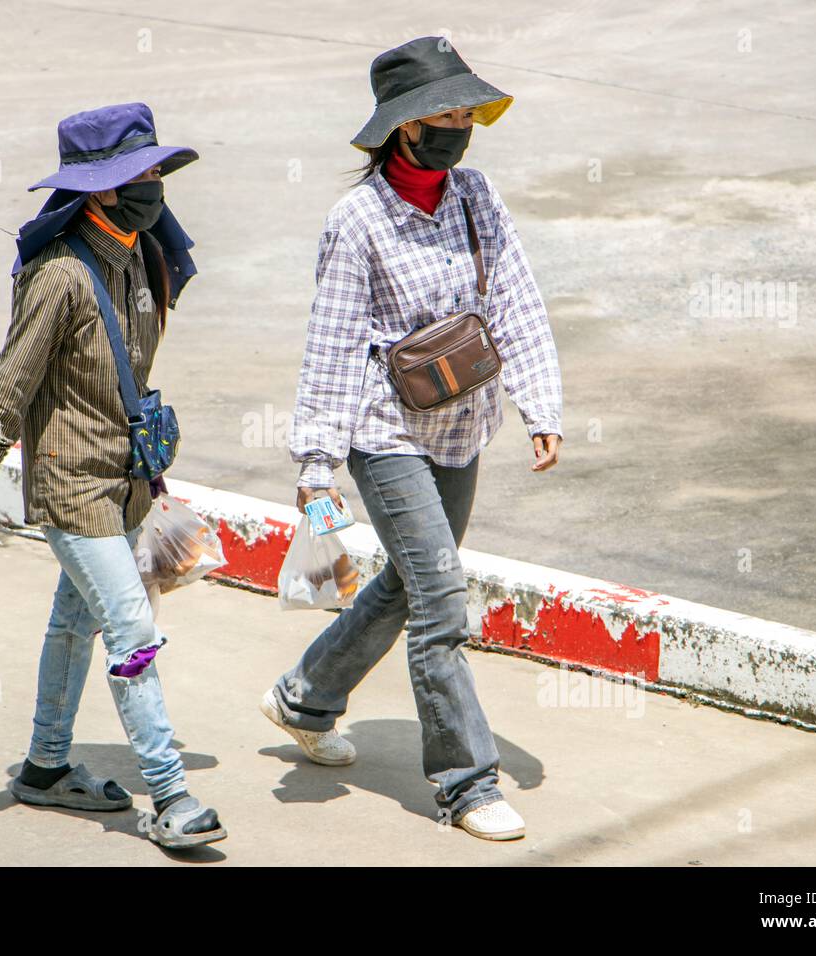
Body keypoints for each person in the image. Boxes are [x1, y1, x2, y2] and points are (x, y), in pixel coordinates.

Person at [263, 37, 563, 841]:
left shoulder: (475, 197)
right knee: (439, 599)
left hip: (462, 426)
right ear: (404, 128)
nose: (461, 126)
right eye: (446, 113)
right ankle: (466, 784)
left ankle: (305, 697)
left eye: (468, 113)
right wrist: (318, 465)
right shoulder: (356, 221)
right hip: (383, 430)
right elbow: (330, 344)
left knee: (404, 581)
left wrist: (542, 405)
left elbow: (516, 299)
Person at [0, 103, 225, 849]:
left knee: (74, 621)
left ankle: (43, 767)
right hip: (73, 487)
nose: (156, 184)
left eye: (158, 169)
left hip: (126, 479)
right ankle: (170, 795)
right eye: (142, 174)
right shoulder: (58, 276)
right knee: (130, 628)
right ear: (99, 189)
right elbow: (11, 384)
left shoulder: (143, 253)